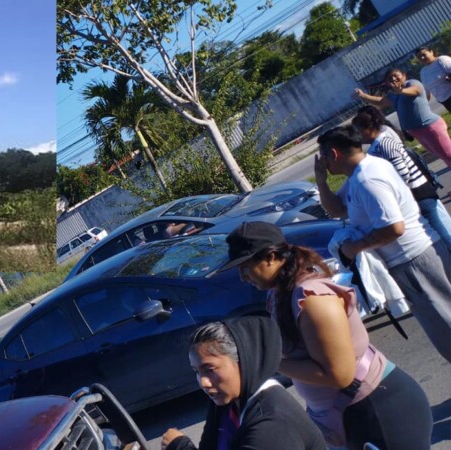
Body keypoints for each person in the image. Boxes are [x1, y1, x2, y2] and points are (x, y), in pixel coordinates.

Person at [219, 221, 434, 450]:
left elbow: (339, 376)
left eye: (244, 266)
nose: (242, 276)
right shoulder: (279, 293)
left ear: (271, 257)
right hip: (348, 415)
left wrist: (267, 363)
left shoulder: (312, 299)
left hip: (380, 410)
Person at [314, 125, 451, 364]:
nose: (324, 163)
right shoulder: (362, 173)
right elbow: (336, 209)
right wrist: (320, 181)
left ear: (333, 154)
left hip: (414, 260)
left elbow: (394, 228)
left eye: (323, 157)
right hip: (412, 260)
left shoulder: (369, 179)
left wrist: (354, 247)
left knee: (445, 327)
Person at [161, 316, 325, 450]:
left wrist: (180, 446)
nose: (203, 382)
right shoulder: (227, 403)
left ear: (244, 362)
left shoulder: (272, 425)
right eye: (197, 372)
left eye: (210, 369)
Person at [352, 106, 451, 248]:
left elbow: (404, 174)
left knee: (443, 232)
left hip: (419, 194)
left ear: (368, 129)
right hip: (418, 193)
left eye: (358, 131)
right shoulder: (380, 142)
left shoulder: (384, 143)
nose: (357, 136)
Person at [353, 67, 451, 167]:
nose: (393, 78)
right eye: (390, 78)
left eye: (396, 75)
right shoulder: (393, 94)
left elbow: (415, 91)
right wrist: (363, 96)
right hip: (417, 131)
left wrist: (400, 90)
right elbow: (381, 102)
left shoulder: (412, 83)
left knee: (448, 154)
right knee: (442, 155)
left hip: (430, 127)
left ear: (404, 75)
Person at [415, 47, 451, 111]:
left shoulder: (441, 60)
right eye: (419, 57)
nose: (422, 58)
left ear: (431, 52)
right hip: (444, 101)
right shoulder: (423, 72)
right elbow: (427, 92)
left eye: (424, 55)